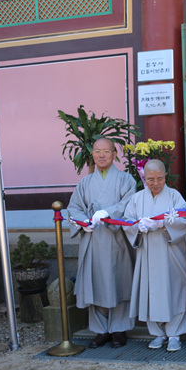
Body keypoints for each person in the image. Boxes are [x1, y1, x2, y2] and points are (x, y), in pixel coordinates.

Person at [123, 159, 186, 352]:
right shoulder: (137, 198)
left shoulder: (174, 195)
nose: (155, 183)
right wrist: (137, 227)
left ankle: (175, 334)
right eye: (150, 179)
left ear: (165, 176)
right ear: (144, 178)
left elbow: (184, 218)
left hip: (170, 251)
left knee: (175, 289)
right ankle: (157, 333)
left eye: (159, 178)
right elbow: (127, 220)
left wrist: (164, 224)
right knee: (150, 291)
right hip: (147, 252)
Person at [68, 137, 136, 349]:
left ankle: (119, 329)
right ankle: (99, 330)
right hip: (93, 239)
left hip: (116, 239)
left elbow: (129, 204)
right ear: (93, 155)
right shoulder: (85, 182)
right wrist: (82, 223)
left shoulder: (126, 180)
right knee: (94, 282)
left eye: (106, 151)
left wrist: (108, 213)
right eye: (97, 151)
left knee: (118, 282)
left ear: (115, 154)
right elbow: (74, 207)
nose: (102, 155)